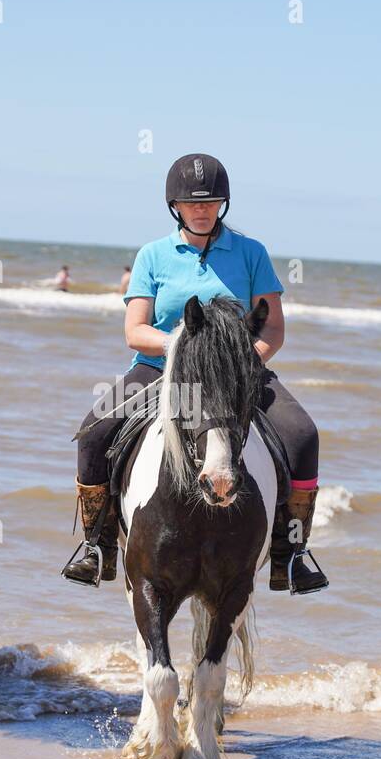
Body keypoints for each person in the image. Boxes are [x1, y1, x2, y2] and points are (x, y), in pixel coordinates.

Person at [62, 153, 328, 593]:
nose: (202, 209)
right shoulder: (153, 255)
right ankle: (97, 545)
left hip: (238, 374)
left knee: (302, 435)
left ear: (222, 204)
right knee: (93, 432)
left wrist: (241, 365)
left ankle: (292, 552)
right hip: (160, 370)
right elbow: (135, 330)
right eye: (192, 203)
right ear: (176, 206)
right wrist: (188, 351)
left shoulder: (251, 253)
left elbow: (274, 328)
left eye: (211, 201)